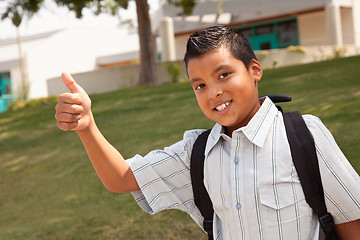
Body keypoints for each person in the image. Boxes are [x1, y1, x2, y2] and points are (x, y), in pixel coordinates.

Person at [55, 25, 360, 239]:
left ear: (254, 70)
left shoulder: (304, 135)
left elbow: (351, 221)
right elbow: (121, 178)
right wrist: (88, 127)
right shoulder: (196, 154)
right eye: (199, 85)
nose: (213, 92)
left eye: (224, 74)